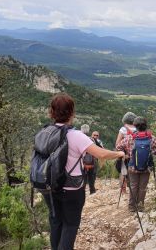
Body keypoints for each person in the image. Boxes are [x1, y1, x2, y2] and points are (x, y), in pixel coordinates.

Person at [43, 93, 124, 250]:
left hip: (49, 187)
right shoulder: (76, 135)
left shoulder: (45, 132)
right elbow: (101, 154)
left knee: (55, 222)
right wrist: (119, 154)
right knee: (70, 225)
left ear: (51, 112)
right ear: (72, 113)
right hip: (71, 189)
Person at [116, 116, 156, 212]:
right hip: (146, 167)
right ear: (145, 125)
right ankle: (140, 207)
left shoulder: (130, 137)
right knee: (143, 187)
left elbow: (118, 147)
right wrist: (153, 152)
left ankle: (131, 207)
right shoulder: (151, 138)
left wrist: (126, 154)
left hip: (132, 166)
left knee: (133, 186)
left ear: (135, 126)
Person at [115, 112, 137, 193]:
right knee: (134, 173)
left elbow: (117, 143)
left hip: (125, 155)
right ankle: (133, 191)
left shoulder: (123, 129)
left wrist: (122, 154)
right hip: (136, 156)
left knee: (123, 172)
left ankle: (123, 190)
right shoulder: (138, 128)